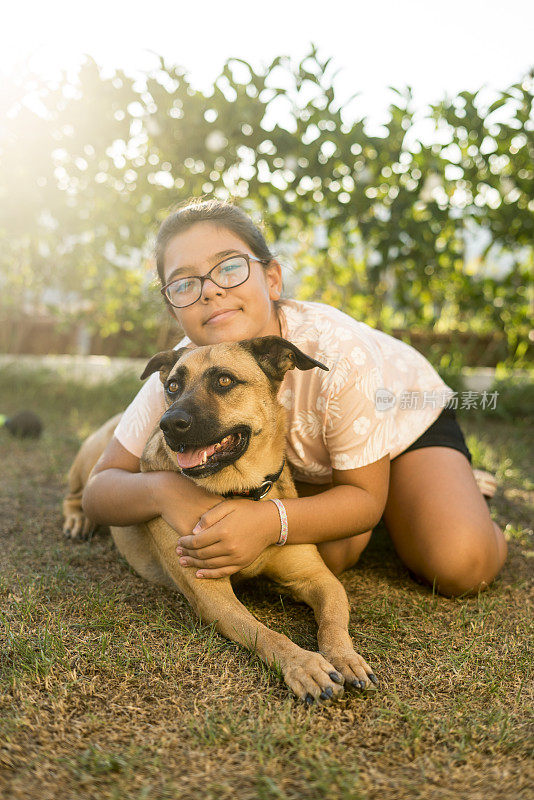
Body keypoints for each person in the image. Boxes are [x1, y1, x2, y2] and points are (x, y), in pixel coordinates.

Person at [82, 199, 508, 597]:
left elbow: (362, 500)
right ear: (174, 307)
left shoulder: (341, 354)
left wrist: (269, 521)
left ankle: (436, 485)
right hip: (311, 463)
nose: (210, 291)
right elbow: (99, 491)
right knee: (332, 557)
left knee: (460, 565)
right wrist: (164, 491)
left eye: (229, 268)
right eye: (184, 284)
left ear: (272, 279)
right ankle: (398, 497)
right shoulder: (185, 373)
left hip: (403, 419)